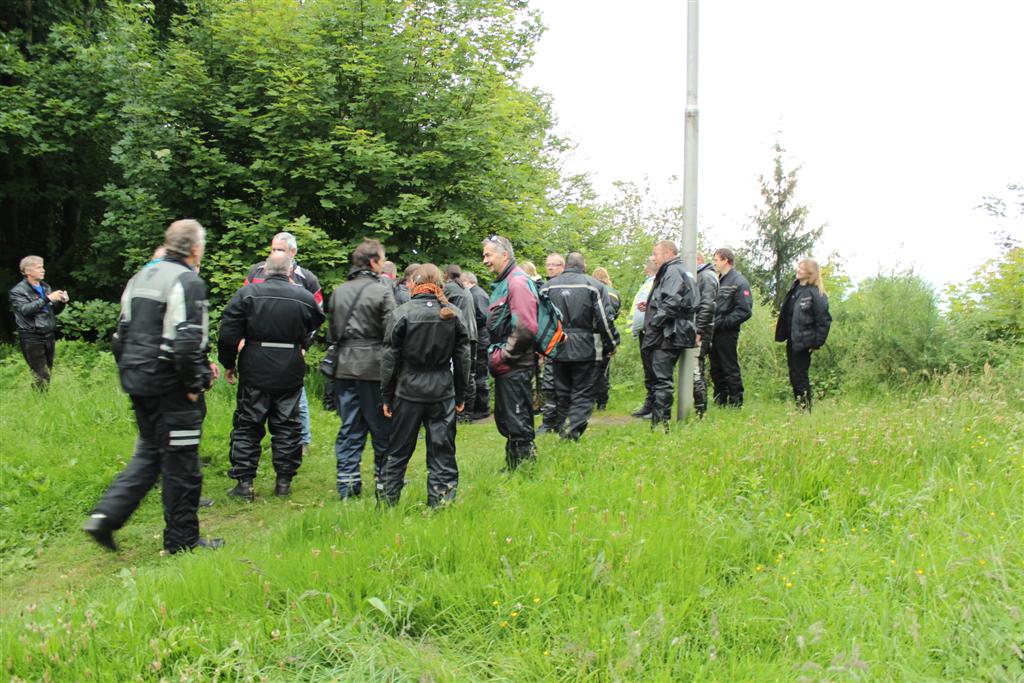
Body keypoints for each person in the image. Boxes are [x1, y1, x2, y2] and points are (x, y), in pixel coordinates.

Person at [83, 219, 222, 553]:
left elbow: (121, 335)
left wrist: (131, 371)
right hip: (170, 384)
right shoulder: (187, 281)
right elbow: (186, 341)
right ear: (195, 248)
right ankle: (182, 541)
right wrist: (195, 383)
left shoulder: (141, 277)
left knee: (150, 452)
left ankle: (104, 517)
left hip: (138, 378)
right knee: (183, 464)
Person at [219, 253, 325, 501]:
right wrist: (302, 344)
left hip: (255, 364)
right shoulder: (303, 297)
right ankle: (284, 482)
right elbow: (316, 323)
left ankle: (245, 483)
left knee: (248, 424)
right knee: (287, 424)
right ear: (290, 271)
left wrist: (228, 363)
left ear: (265, 270)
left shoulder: (247, 295)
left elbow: (228, 331)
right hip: (289, 364)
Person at [378, 264, 471, 506]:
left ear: (413, 284)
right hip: (442, 391)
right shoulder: (452, 313)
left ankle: (387, 505)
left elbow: (389, 360)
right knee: (443, 452)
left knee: (397, 451)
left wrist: (387, 395)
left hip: (409, 391)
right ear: (439, 284)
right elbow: (463, 359)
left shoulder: (403, 313)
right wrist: (461, 393)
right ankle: (441, 504)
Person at [327, 238, 396, 499]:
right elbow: (392, 333)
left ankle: (347, 484)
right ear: (373, 262)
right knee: (381, 427)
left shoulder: (339, 291)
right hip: (374, 368)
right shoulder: (382, 291)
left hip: (344, 367)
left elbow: (332, 332)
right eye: (382, 259)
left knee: (350, 426)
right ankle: (383, 480)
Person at [244, 232, 323, 454]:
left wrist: (305, 345)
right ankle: (254, 443)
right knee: (254, 400)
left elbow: (316, 316)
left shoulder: (306, 278)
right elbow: (242, 307)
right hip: (258, 349)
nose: (275, 253)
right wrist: (241, 339)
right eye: (273, 249)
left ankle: (301, 440)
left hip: (291, 348)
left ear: (293, 252)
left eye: (281, 249)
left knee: (297, 396)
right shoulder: (256, 272)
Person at [541, 253, 619, 440]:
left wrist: (542, 347)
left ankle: (564, 427)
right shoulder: (594, 286)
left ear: (565, 265)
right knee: (583, 391)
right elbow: (604, 320)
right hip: (586, 346)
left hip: (558, 345)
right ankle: (571, 431)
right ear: (584, 266)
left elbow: (540, 320)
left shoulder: (547, 287)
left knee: (562, 390)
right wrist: (612, 343)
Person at [482, 235, 539, 470]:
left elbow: (525, 327)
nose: (485, 260)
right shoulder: (507, 281)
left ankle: (525, 468)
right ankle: (513, 465)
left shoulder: (517, 282)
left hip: (515, 364)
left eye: (488, 255)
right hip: (509, 365)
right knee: (508, 419)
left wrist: (503, 356)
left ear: (504, 254)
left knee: (517, 420)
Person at [639, 240, 699, 430]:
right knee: (661, 379)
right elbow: (672, 300)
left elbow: (672, 302)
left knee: (661, 380)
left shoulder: (672, 271)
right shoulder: (679, 270)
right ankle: (659, 422)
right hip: (672, 330)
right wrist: (651, 306)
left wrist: (655, 323)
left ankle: (660, 425)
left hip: (667, 333)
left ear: (667, 254)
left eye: (656, 254)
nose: (653, 258)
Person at [775, 258, 832, 410]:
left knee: (800, 375)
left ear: (810, 272)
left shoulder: (816, 293)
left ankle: (805, 409)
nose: (798, 270)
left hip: (805, 341)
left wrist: (817, 343)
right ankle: (800, 406)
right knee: (794, 375)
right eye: (798, 267)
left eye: (802, 268)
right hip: (792, 339)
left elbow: (824, 320)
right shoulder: (795, 289)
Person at [9, 255, 68, 389]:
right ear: (27, 271)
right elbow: (25, 310)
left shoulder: (45, 287)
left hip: (48, 334)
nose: (43, 270)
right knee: (42, 374)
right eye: (39, 267)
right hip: (31, 336)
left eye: (42, 267)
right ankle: (40, 398)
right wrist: (47, 299)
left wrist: (62, 302)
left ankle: (40, 398)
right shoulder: (17, 291)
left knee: (47, 373)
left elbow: (53, 311)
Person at [710, 248, 753, 407]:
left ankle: (736, 402)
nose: (714, 263)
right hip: (714, 331)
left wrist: (723, 322)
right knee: (716, 367)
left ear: (725, 260)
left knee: (729, 367)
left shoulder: (739, 281)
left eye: (716, 260)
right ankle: (720, 400)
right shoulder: (719, 280)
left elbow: (745, 310)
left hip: (727, 332)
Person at [443, 264, 478, 420]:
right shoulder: (464, 288)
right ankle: (468, 412)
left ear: (446, 274)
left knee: (460, 373)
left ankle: (461, 412)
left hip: (460, 335)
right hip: (472, 334)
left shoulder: (449, 288)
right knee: (468, 373)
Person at [537, 253, 566, 431]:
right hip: (549, 342)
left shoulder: (568, 285)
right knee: (548, 382)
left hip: (568, 341)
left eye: (554, 264)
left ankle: (562, 420)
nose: (550, 267)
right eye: (548, 264)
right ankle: (549, 421)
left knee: (564, 381)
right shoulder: (544, 288)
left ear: (563, 266)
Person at [630, 257, 658, 418]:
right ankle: (650, 405)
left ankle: (652, 407)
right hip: (651, 331)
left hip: (647, 332)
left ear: (648, 268)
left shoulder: (649, 285)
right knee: (651, 371)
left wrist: (635, 330)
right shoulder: (654, 283)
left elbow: (640, 314)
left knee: (651, 371)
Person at [461, 270, 491, 420]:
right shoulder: (477, 293)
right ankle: (478, 407)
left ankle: (482, 408)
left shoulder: (477, 294)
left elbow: (483, 316)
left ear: (467, 281)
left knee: (480, 373)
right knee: (478, 373)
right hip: (480, 337)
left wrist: (469, 323)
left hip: (481, 338)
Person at [591, 266, 621, 410]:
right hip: (609, 332)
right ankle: (602, 402)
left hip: (594, 333)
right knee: (604, 368)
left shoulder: (593, 290)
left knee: (592, 367)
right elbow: (616, 313)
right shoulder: (615, 293)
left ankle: (590, 399)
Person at [692, 252, 719, 417]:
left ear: (698, 260)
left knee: (696, 369)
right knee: (693, 368)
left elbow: (708, 305)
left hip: (702, 330)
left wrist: (699, 330)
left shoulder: (706, 276)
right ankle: (697, 409)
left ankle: (700, 412)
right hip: (697, 328)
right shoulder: (699, 276)